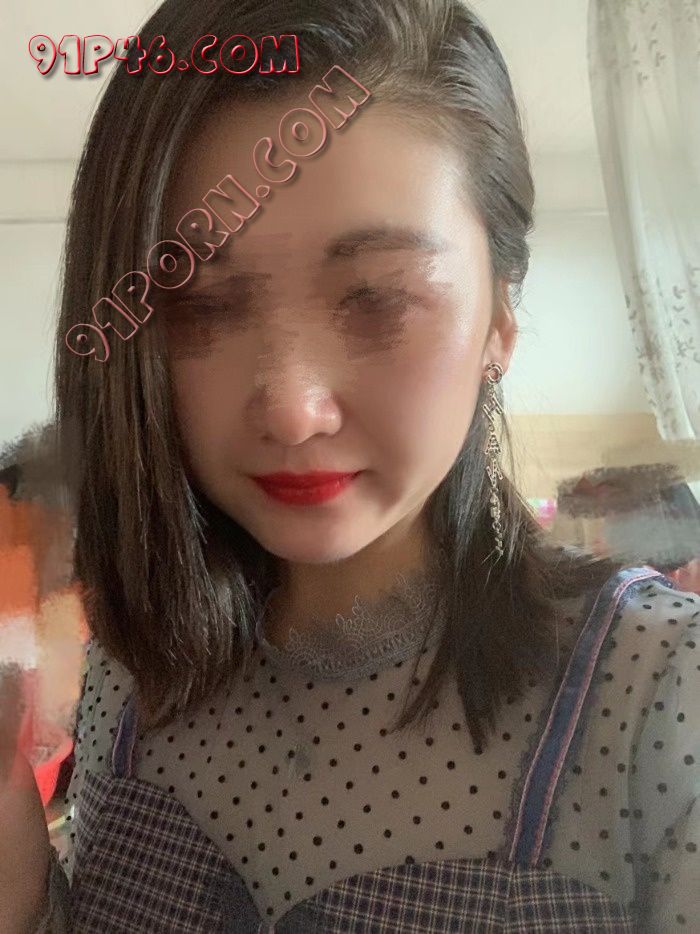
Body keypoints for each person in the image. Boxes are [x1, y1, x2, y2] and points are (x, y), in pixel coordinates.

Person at [1, 0, 697, 930]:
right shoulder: (135, 672)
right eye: (202, 306)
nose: (293, 410)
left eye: (378, 298)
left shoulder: (661, 696)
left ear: (500, 318)